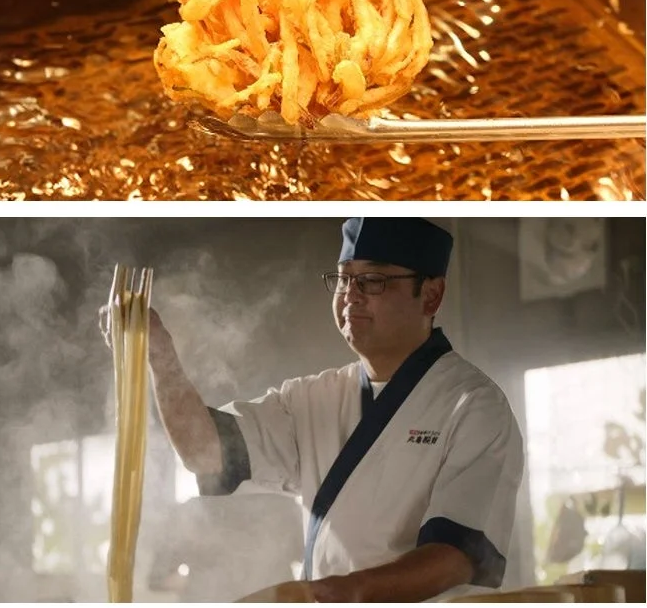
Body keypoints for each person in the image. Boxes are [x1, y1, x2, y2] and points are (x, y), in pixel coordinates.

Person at [145, 218, 524, 602]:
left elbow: (454, 558)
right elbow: (205, 453)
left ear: (430, 295)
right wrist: (159, 354)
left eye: (373, 280)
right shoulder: (310, 399)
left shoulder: (473, 405)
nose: (351, 295)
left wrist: (325, 594)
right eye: (344, 279)